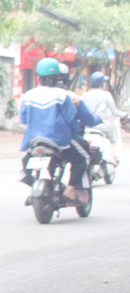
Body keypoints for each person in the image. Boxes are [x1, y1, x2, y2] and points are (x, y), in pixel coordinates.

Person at [20, 58, 90, 203]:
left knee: (27, 159)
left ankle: (33, 184)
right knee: (82, 159)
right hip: (59, 140)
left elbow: (24, 119)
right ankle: (70, 190)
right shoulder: (62, 95)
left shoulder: (29, 95)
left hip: (34, 140)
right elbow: (69, 118)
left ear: (38, 76)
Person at [80, 71, 125, 157]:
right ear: (101, 84)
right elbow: (115, 112)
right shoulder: (106, 95)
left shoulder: (84, 95)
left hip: (87, 126)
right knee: (113, 140)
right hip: (103, 125)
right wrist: (124, 115)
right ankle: (112, 159)